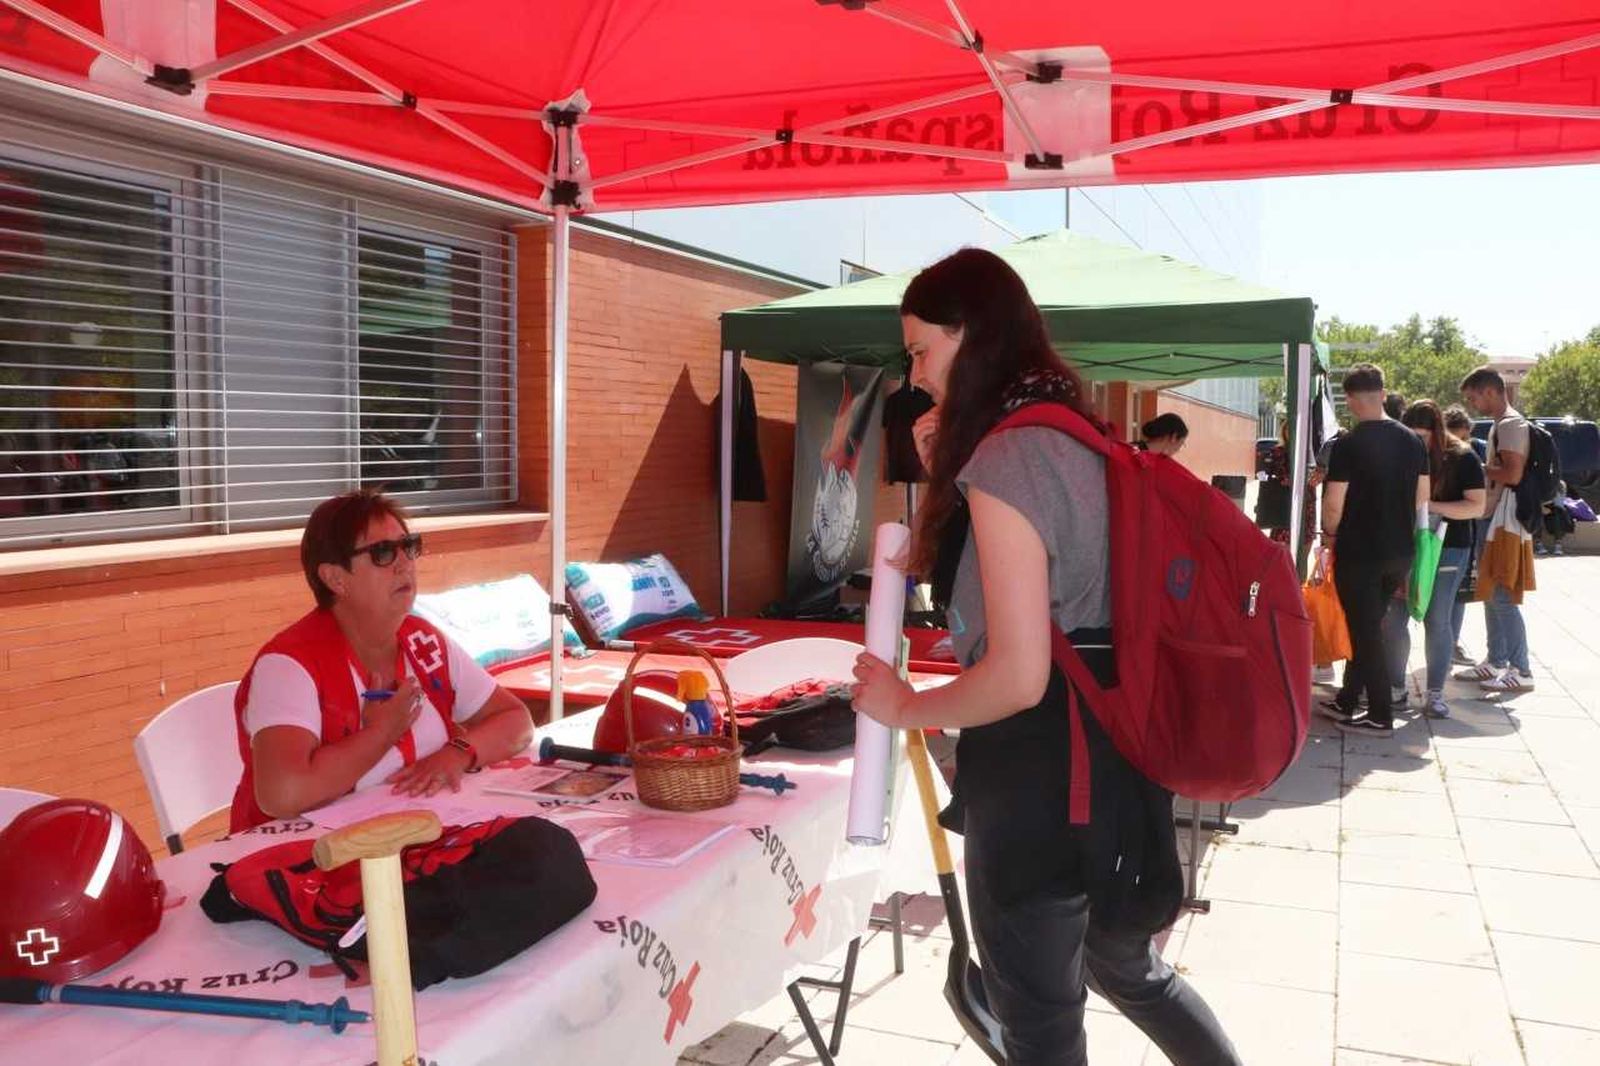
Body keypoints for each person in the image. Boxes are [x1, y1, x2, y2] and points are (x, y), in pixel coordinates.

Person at [851, 248, 1239, 1066]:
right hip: (1120, 751)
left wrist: (907, 708)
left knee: (1041, 1031)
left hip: (1038, 777)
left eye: (923, 349)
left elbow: (1018, 672)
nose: (916, 376)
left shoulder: (1010, 457)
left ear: (974, 336)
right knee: (1129, 969)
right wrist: (950, 475)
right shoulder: (1076, 430)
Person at [230, 489, 534, 829]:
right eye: (383, 553)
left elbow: (516, 721)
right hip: (306, 862)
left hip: (422, 836)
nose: (404, 563)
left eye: (409, 546)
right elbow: (282, 795)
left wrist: (459, 752)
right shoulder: (288, 664)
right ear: (335, 578)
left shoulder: (422, 640)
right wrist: (383, 732)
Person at [1318, 364, 1429, 736]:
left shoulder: (1349, 444)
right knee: (1366, 626)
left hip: (1359, 552)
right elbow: (1422, 498)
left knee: (1365, 633)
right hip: (1399, 550)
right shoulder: (1413, 441)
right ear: (1383, 393)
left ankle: (1381, 714)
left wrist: (1329, 534)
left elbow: (1334, 503)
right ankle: (1348, 700)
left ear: (1349, 400)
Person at [1396, 401, 1487, 719]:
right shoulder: (1403, 451)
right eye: (1410, 436)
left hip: (1448, 546)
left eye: (1422, 436)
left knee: (1438, 619)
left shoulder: (1462, 456)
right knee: (1395, 618)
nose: (1417, 443)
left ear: (1436, 432)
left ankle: (1435, 691)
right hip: (1404, 545)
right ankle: (1396, 689)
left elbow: (1476, 506)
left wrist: (1431, 507)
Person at [1454, 367, 1536, 693]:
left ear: (1489, 391)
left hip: (1504, 521)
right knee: (1489, 592)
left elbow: (1512, 474)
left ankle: (1522, 669)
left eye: (1474, 397)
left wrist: (1475, 467)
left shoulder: (1512, 425)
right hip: (1494, 519)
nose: (1473, 404)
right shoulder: (1503, 425)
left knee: (1501, 595)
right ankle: (1496, 660)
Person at [1442, 404, 1484, 664]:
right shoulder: (1435, 453)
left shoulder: (1474, 452)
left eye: (1465, 436)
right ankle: (1445, 643)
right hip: (1437, 532)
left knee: (1459, 594)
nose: (1461, 442)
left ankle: (1452, 643)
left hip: (1463, 531)